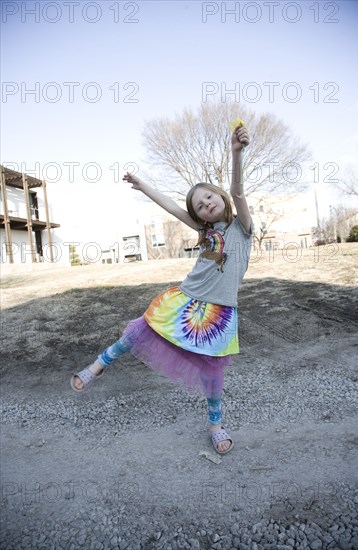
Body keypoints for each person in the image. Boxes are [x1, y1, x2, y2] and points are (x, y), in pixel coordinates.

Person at [70, 124, 253, 454]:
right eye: (198, 205)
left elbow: (239, 192)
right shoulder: (204, 229)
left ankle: (215, 425)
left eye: (209, 196)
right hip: (185, 299)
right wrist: (142, 186)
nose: (205, 204)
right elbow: (171, 206)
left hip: (220, 313)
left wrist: (236, 153)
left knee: (213, 373)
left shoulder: (243, 227)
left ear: (220, 197)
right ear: (198, 215)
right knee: (138, 332)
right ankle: (97, 366)